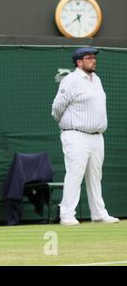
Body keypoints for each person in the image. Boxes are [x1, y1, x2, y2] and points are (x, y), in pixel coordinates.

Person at [51, 47, 119, 226]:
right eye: (89, 58)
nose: (94, 60)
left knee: (95, 175)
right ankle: (66, 215)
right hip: (76, 135)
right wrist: (68, 127)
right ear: (79, 62)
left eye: (94, 57)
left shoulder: (96, 79)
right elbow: (57, 108)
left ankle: (98, 214)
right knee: (75, 173)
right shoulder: (71, 80)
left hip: (97, 136)